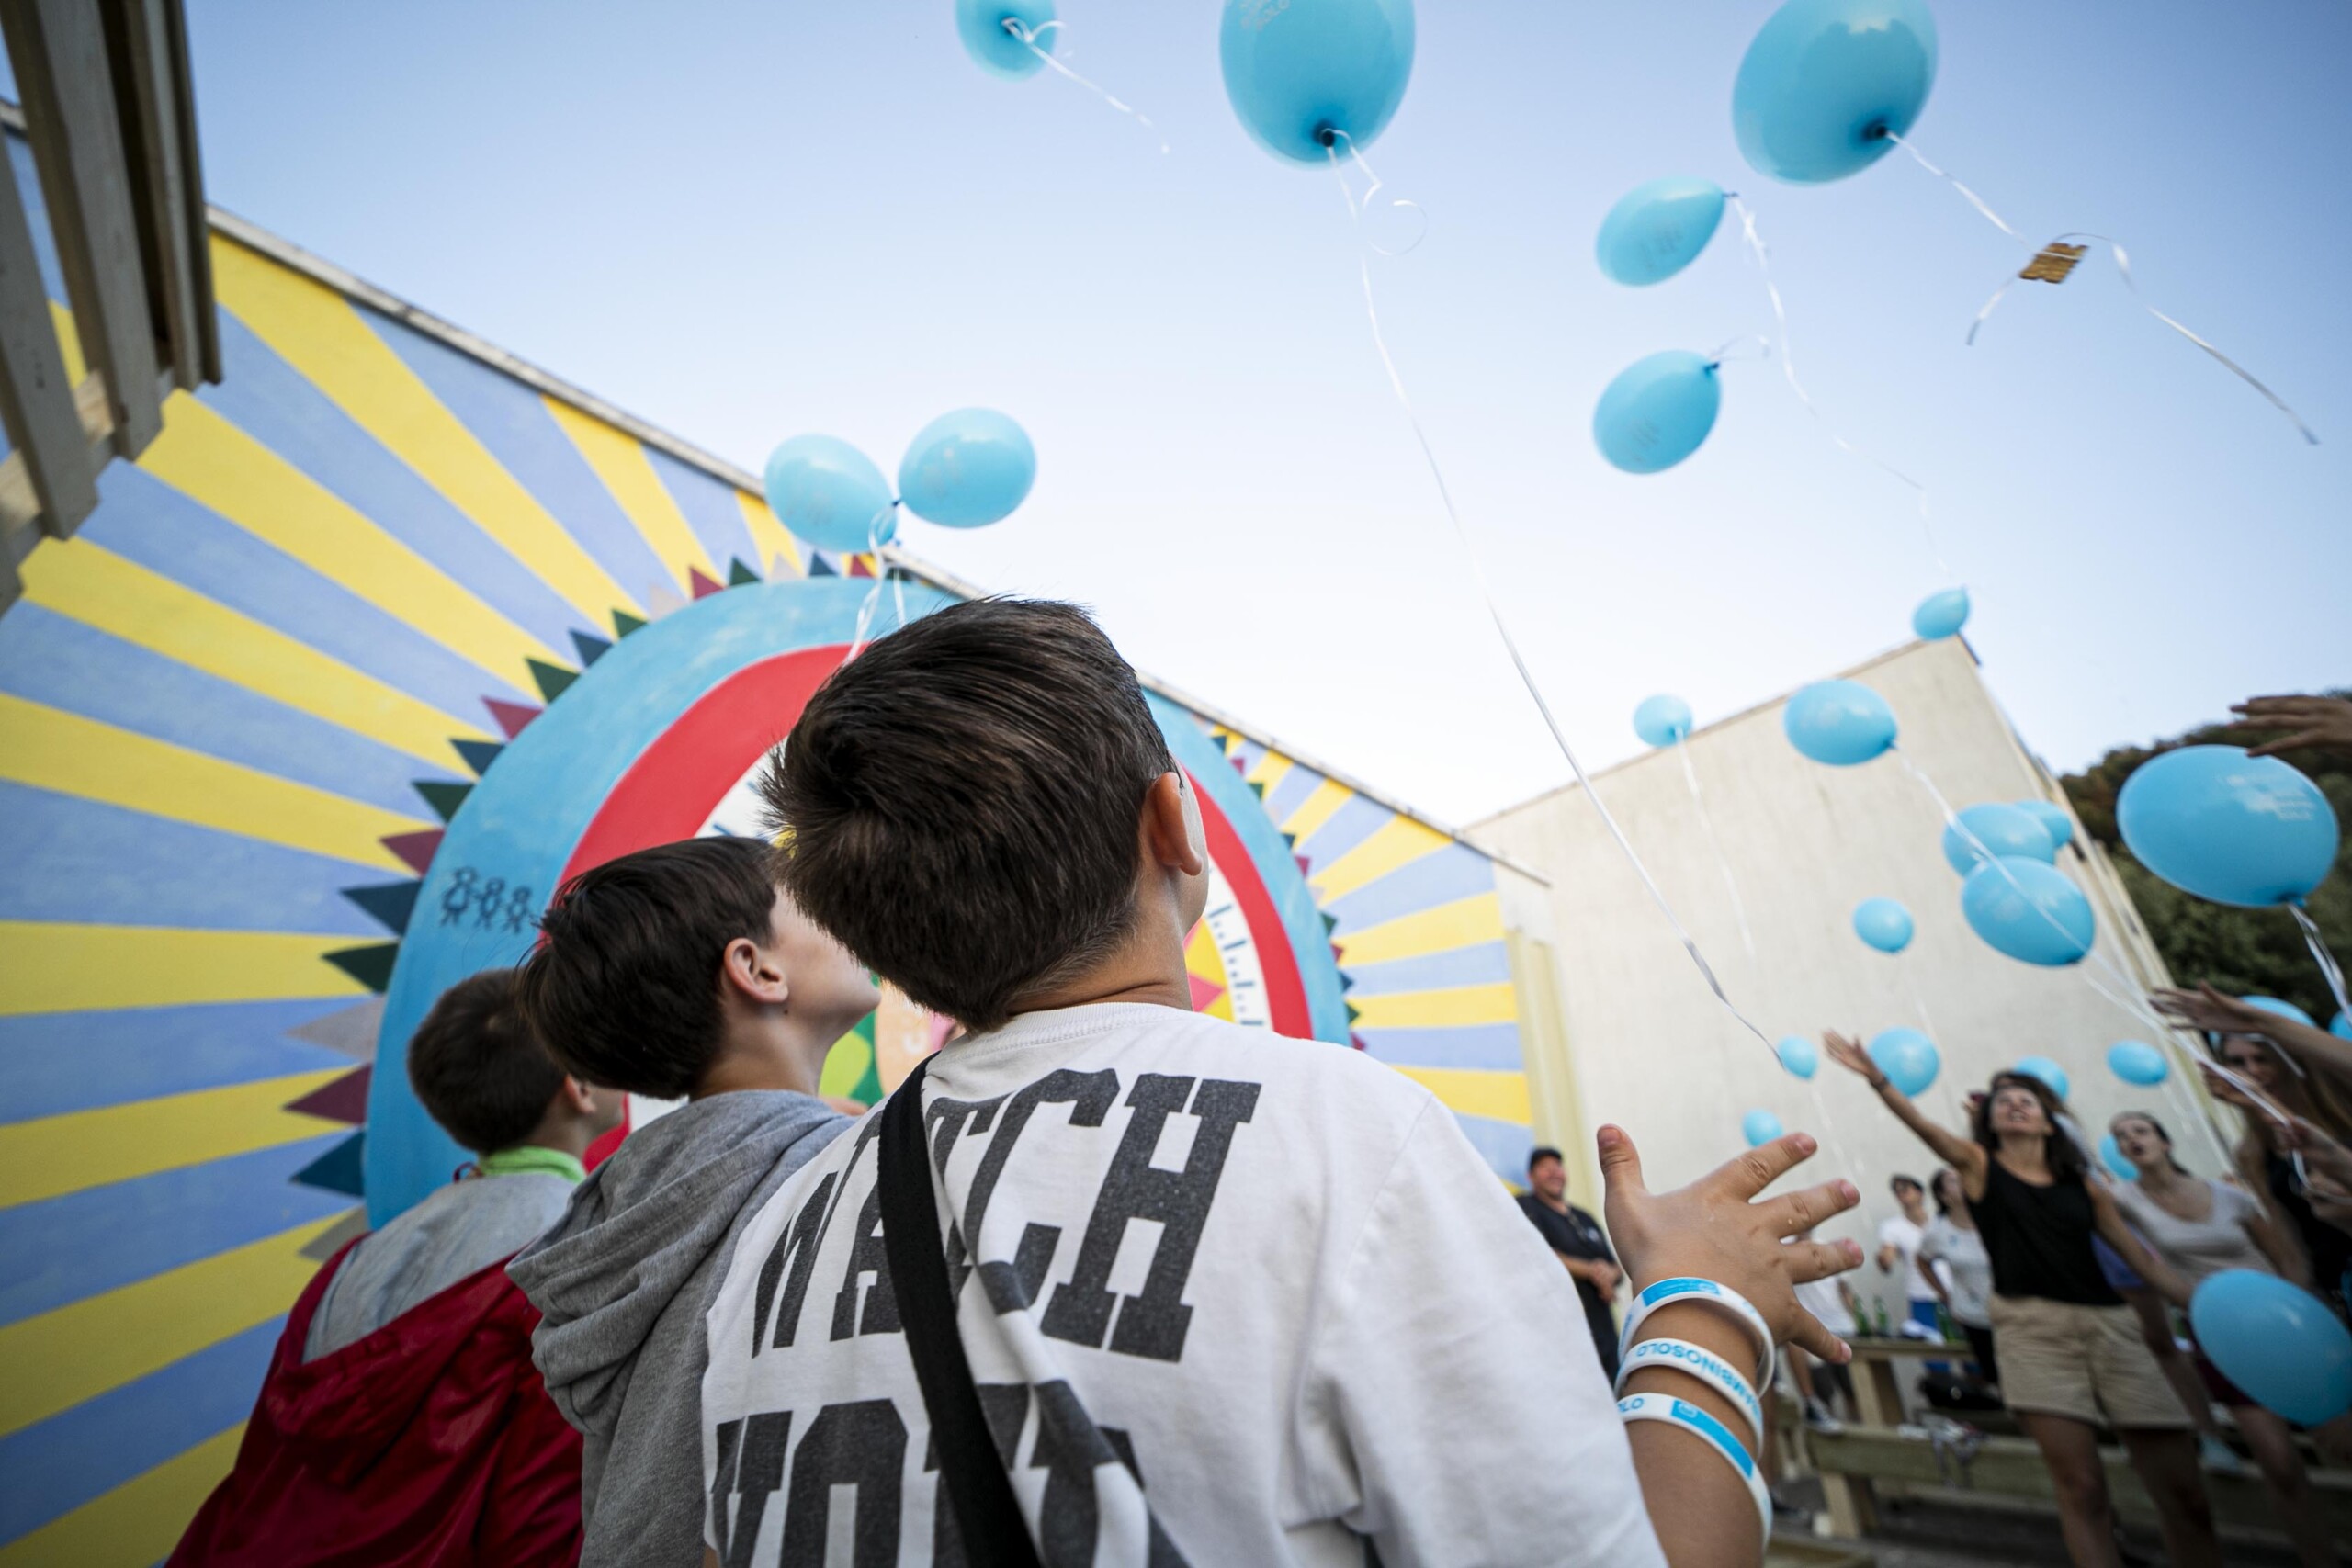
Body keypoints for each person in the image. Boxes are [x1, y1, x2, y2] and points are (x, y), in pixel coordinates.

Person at [698, 599, 1866, 1566]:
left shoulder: (777, 1233)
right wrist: (1703, 1314)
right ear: (1172, 822)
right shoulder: (1344, 1139)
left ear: (881, 937)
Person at [505, 837, 876, 1568]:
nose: (846, 914)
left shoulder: (637, 1194)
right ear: (755, 968)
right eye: (810, 899)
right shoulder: (835, 1176)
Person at [172, 970, 620, 1566]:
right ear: (580, 1085)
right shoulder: (569, 1259)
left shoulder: (351, 1262)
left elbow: (261, 1470)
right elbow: (541, 1523)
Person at [1823, 1034, 2220, 1568]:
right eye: (2002, 1101)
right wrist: (1877, 1078)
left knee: (2186, 1496)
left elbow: (2145, 1263)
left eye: (2026, 1100)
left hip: (2113, 1327)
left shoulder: (2086, 1187)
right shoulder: (1978, 1167)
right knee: (2082, 1489)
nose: (2013, 1103)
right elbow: (1923, 1127)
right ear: (1990, 1122)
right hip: (2032, 1332)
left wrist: (2207, 1306)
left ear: (2048, 1122)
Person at [2109, 1111, 2347, 1566]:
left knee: (2341, 1442)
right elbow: (2140, 1258)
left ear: (2164, 1140)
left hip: (2284, 1325)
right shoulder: (2125, 1201)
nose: (2130, 1139)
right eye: (2120, 1136)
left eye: (2140, 1130)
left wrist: (2298, 1316)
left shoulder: (2229, 1196)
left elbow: (2286, 1257)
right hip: (2222, 1336)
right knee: (2279, 1464)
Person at [1516, 1145, 1623, 1377]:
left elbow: (1616, 1267)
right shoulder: (1526, 1206)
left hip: (1605, 1332)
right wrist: (1593, 1271)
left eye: (1557, 1167)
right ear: (1530, 1177)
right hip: (1563, 1333)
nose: (1554, 1172)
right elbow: (1538, 1253)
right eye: (1545, 1168)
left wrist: (1608, 1274)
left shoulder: (1584, 1216)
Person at [1917, 1168, 1996, 1387]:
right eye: (1953, 1181)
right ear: (1944, 1196)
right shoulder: (1939, 1232)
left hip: (2011, 1311)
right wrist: (1945, 1295)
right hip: (1974, 1316)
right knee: (1994, 1379)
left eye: (1962, 1177)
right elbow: (1922, 1261)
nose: (1962, 1181)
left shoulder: (1994, 1218)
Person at [1788, 1229, 1860, 1427]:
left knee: (1853, 1390)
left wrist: (1859, 1321)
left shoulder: (1831, 1249)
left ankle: (1858, 1429)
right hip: (1815, 1335)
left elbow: (1845, 1291)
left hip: (1845, 1330)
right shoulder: (1786, 1252)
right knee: (1824, 1392)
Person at [1874, 1174, 1940, 1336]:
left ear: (1920, 1193)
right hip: (1920, 1296)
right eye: (1897, 1192)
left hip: (1953, 1296)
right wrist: (1884, 1261)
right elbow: (1888, 1256)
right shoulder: (1892, 1227)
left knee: (1968, 1352)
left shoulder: (1940, 1221)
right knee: (1934, 1354)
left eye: (1905, 1189)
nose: (1900, 1194)